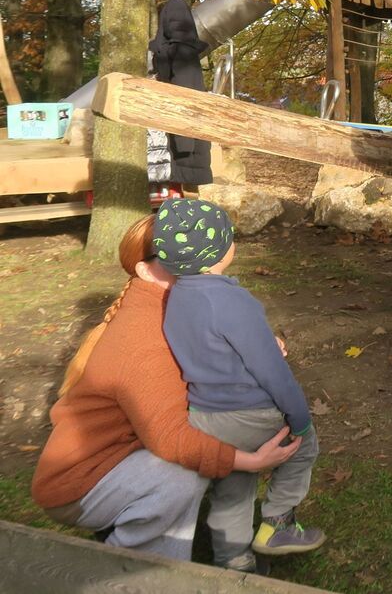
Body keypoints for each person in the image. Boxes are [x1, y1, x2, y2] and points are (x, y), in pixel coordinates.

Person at [31, 214, 299, 563]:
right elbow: (171, 438)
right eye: (172, 253)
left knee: (212, 445)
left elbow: (214, 348)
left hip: (125, 456)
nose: (190, 259)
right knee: (180, 477)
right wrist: (249, 461)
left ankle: (163, 529)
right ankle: (132, 567)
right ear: (144, 271)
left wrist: (257, 345)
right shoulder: (142, 337)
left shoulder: (179, 301)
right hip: (81, 482)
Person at [160, 198, 325, 571]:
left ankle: (234, 562)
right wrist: (299, 417)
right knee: (303, 446)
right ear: (220, 248)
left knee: (233, 486)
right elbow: (271, 370)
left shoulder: (176, 297)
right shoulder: (233, 301)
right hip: (251, 412)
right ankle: (278, 523)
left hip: (204, 415)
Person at [149, 0, 213, 186]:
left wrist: (184, 141)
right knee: (183, 191)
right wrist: (185, 142)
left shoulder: (167, 53)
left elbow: (184, 93)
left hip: (179, 134)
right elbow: (187, 94)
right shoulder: (183, 53)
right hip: (184, 137)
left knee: (178, 189)